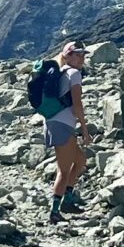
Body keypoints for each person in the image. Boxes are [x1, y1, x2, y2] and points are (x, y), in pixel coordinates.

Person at [39, 40, 90, 220]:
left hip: (54, 122)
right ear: (68, 56)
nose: (81, 58)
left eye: (83, 55)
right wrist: (85, 130)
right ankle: (55, 211)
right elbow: (77, 105)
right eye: (77, 54)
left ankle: (67, 199)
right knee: (64, 170)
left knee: (81, 159)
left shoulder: (60, 72)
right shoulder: (74, 73)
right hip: (63, 124)